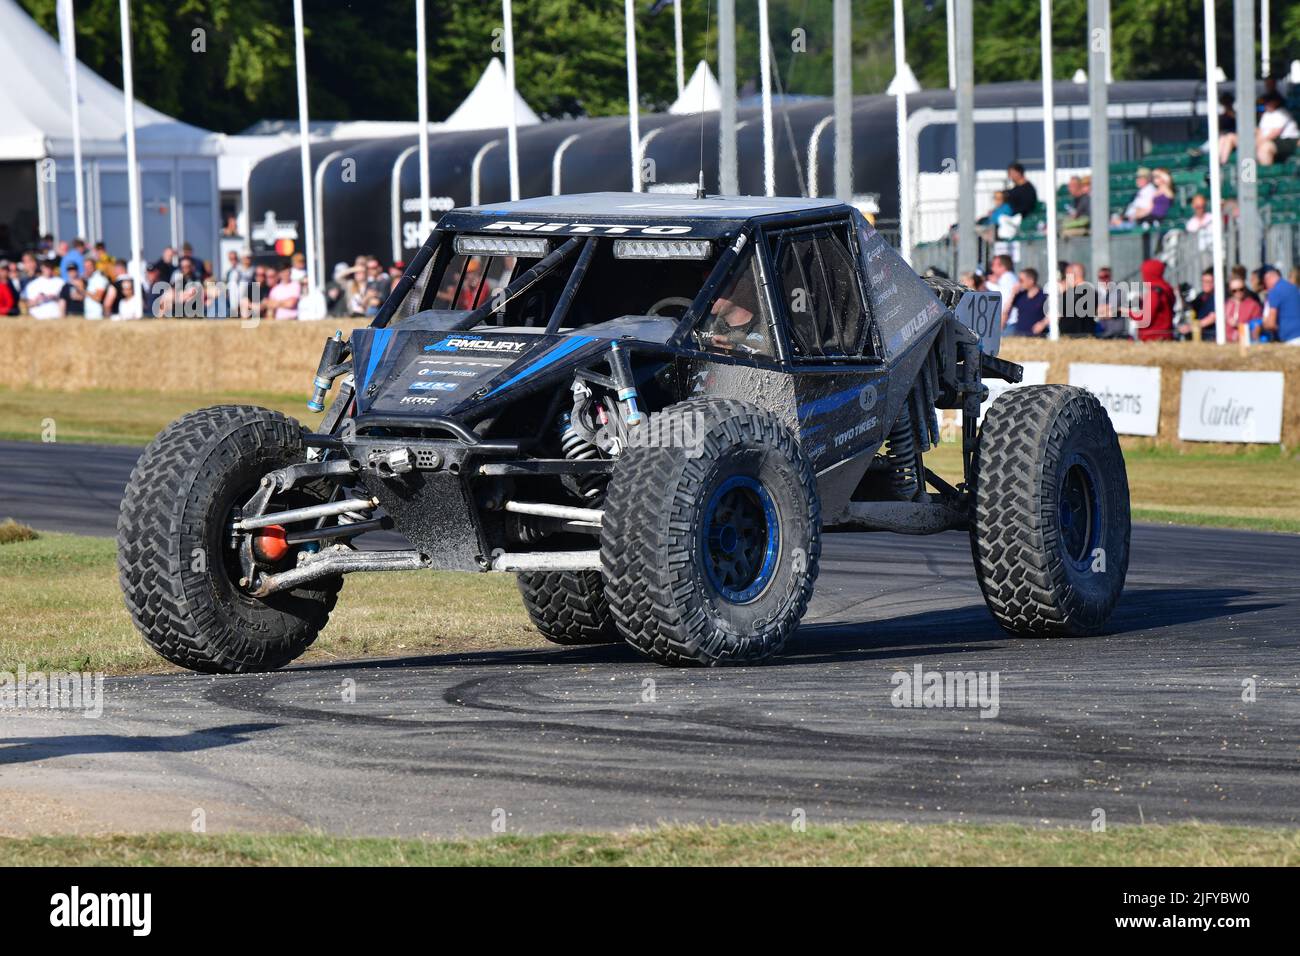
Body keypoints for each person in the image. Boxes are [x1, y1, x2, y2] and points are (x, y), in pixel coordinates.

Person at [1130, 259, 1176, 341]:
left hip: (1153, 338)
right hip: (1166, 336)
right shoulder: (1166, 288)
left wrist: (1124, 311)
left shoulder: (1154, 292)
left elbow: (1144, 319)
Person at [1260, 264, 1300, 343]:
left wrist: (1262, 326)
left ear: (1267, 278)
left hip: (1291, 339)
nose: (1265, 286)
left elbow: (1271, 324)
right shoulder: (1293, 288)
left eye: (1264, 283)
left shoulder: (1274, 291)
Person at [1256, 94, 1299, 166]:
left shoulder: (1282, 113)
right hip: (1272, 141)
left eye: (1267, 102)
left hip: (1288, 140)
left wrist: (1259, 142)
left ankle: (1267, 173)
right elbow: (1260, 131)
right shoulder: (1266, 114)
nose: (1265, 104)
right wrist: (1257, 141)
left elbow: (1276, 132)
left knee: (1265, 147)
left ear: (1275, 102)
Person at [1006, 267, 1048, 336]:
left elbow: (1055, 313)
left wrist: (1043, 324)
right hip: (1019, 335)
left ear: (1031, 280)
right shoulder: (1020, 295)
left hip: (1037, 337)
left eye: (1021, 280)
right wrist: (1012, 294)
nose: (1019, 283)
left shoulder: (1043, 296)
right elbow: (1006, 310)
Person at [1059, 262, 1096, 336]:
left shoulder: (1076, 293)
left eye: (1066, 274)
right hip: (1081, 336)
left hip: (1075, 337)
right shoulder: (1091, 291)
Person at [1179, 268, 1217, 340]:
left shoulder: (1218, 297)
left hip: (1210, 336)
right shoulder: (1200, 296)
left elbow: (1212, 318)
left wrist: (1190, 327)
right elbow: (1191, 310)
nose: (1205, 284)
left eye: (1208, 282)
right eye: (1203, 281)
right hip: (1198, 335)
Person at [1225, 276, 1263, 342]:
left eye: (1241, 289)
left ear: (1245, 289)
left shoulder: (1253, 305)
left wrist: (1238, 325)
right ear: (1230, 291)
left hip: (1245, 341)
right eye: (1234, 291)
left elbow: (1257, 327)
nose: (1238, 292)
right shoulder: (1227, 305)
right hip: (1227, 342)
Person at [989, 254, 1017, 327]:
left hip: (1007, 322)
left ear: (1003, 267)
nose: (992, 268)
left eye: (994, 265)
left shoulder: (1007, 278)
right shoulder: (1006, 278)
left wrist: (1002, 322)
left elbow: (1005, 301)